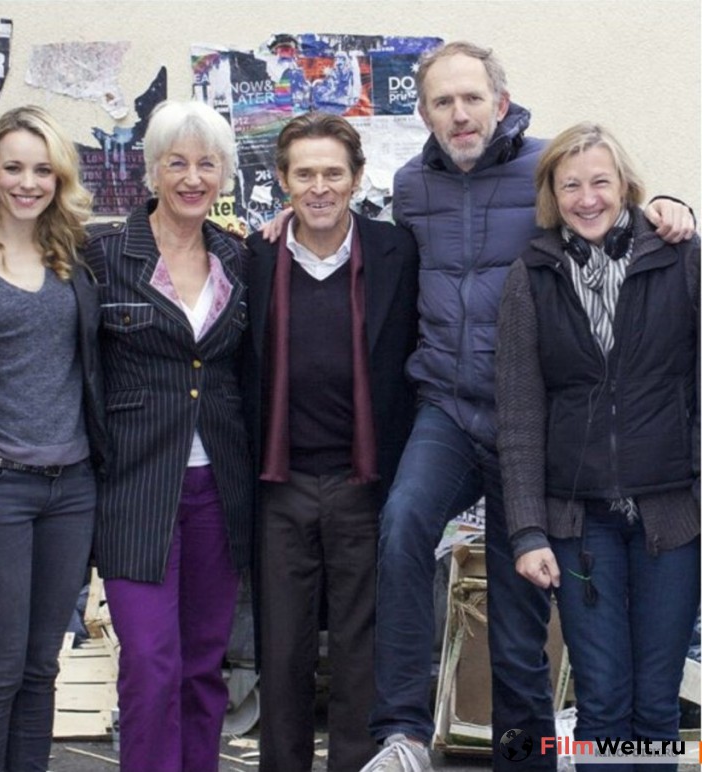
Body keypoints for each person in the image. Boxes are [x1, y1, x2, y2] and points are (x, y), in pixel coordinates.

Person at [351, 42, 696, 772]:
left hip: (537, 430)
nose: (459, 113)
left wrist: (672, 205)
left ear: (500, 103)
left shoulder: (551, 168)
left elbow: (617, 208)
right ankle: (404, 730)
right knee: (403, 521)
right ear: (424, 113)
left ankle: (526, 762)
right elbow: (371, 252)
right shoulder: (410, 186)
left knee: (516, 631)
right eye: (442, 101)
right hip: (450, 408)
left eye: (472, 97)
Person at [496, 122, 699, 772]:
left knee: (657, 705)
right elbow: (518, 414)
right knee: (604, 702)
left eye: (600, 183)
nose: (587, 199)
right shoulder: (530, 277)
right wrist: (528, 532)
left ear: (626, 186)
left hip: (673, 517)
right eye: (571, 185)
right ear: (552, 194)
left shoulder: (681, 259)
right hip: (579, 526)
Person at [243, 111, 419, 772]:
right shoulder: (253, 256)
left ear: (357, 178)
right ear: (283, 180)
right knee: (282, 650)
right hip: (280, 483)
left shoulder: (397, 252)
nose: (319, 187)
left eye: (333, 173)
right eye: (305, 174)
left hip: (364, 481)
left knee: (360, 650)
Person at [0, 106, 108, 772]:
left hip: (71, 488)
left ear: (60, 178)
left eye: (42, 170)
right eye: (14, 168)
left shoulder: (75, 256)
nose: (28, 183)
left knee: (41, 667)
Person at [83, 99, 252, 772]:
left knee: (203, 664)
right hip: (135, 487)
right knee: (152, 664)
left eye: (207, 164)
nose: (192, 178)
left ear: (224, 175)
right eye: (176, 163)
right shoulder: (103, 255)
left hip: (219, 486)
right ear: (152, 170)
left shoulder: (238, 258)